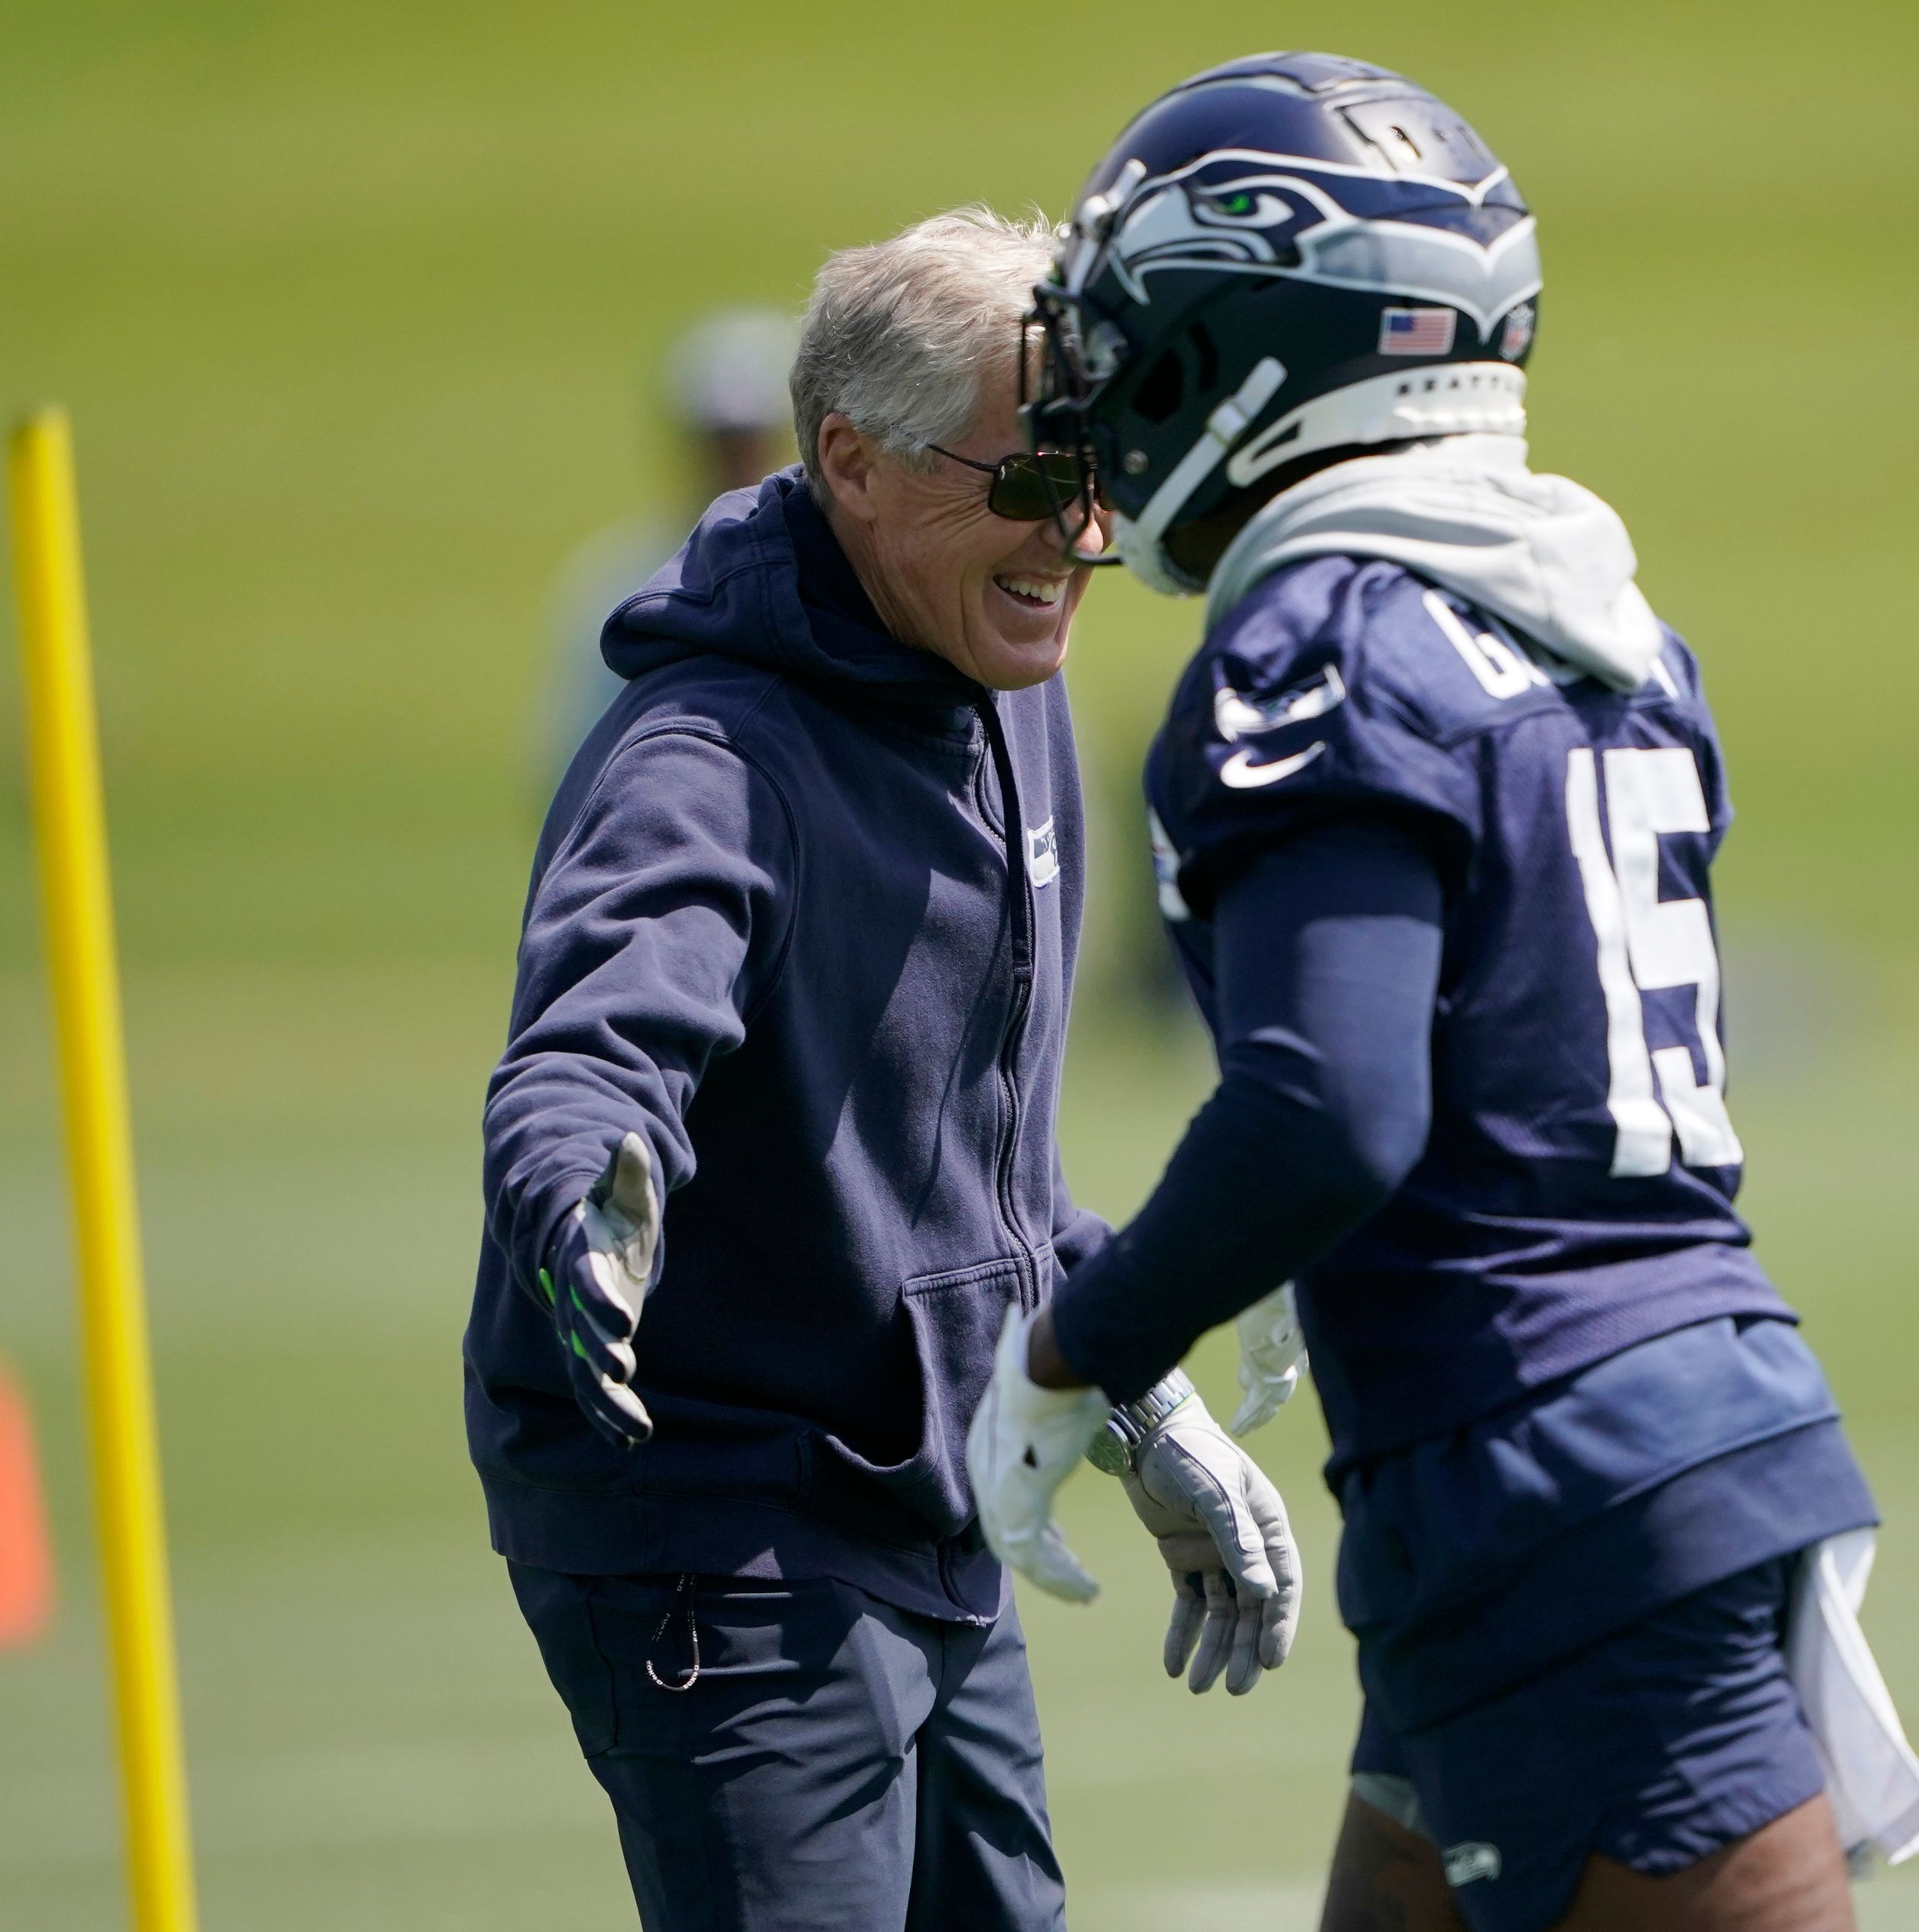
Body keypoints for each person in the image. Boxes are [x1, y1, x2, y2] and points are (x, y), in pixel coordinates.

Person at [965, 54, 1919, 1932]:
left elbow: (1328, 1108)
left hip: (1544, 1474)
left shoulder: (1320, 625)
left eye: (1130, 324)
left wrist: (1076, 1348)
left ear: (1255, 333)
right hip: (1662, 1427)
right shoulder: (1597, 615)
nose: (1097, 382)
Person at [466, 207, 1302, 1932]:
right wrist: (586, 1194)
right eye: (1028, 474)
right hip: (724, 1526)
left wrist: (1133, 1391)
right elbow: (596, 1037)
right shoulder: (707, 754)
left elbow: (979, 1176)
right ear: (848, 459)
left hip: (927, 1483)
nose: (1078, 528)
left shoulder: (1002, 679)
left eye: (1104, 462)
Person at [537, 308, 800, 795]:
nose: (735, 462)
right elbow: (573, 766)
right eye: (720, 443)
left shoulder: (829, 576)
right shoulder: (620, 583)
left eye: (750, 441)